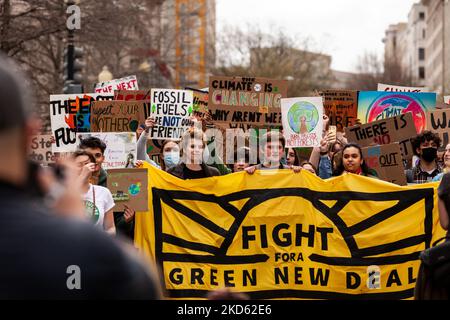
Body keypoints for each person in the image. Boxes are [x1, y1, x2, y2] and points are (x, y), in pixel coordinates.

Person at [0, 53, 161, 299]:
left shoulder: (101, 191)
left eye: (96, 158)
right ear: (30, 134)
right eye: (86, 158)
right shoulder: (81, 247)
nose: (91, 163)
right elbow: (141, 283)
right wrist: (75, 230)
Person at [73, 150, 116, 234]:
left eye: (86, 164)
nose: (84, 168)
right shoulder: (63, 192)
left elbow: (110, 227)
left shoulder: (104, 192)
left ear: (93, 167)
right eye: (79, 165)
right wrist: (82, 176)